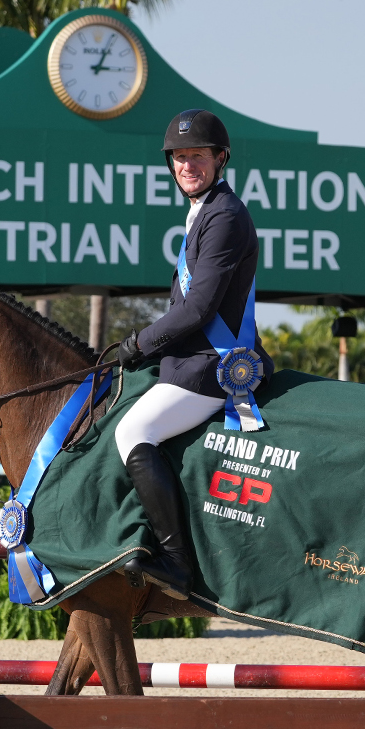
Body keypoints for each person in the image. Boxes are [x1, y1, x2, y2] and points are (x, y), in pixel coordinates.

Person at [114, 109, 266, 600]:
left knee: (134, 430)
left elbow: (199, 307)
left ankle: (177, 563)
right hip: (188, 358)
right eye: (179, 158)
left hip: (211, 364)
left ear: (220, 159)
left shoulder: (224, 214)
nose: (186, 165)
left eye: (196, 156)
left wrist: (137, 344)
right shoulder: (203, 210)